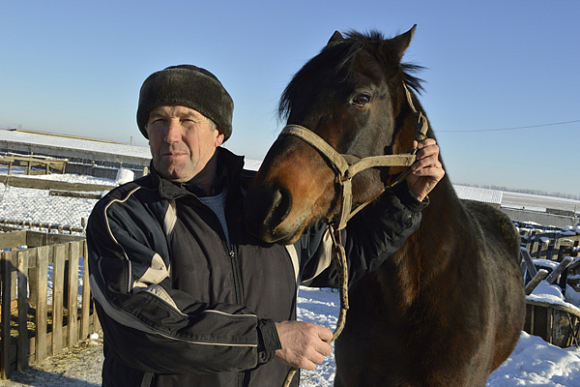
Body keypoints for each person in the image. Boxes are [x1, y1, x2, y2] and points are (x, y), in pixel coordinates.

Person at [86, 64, 445, 387]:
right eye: (158, 121)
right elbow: (142, 323)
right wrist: (268, 339)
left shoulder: (265, 200)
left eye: (187, 120)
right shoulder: (124, 214)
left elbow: (339, 261)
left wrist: (408, 200)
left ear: (219, 132)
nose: (170, 135)